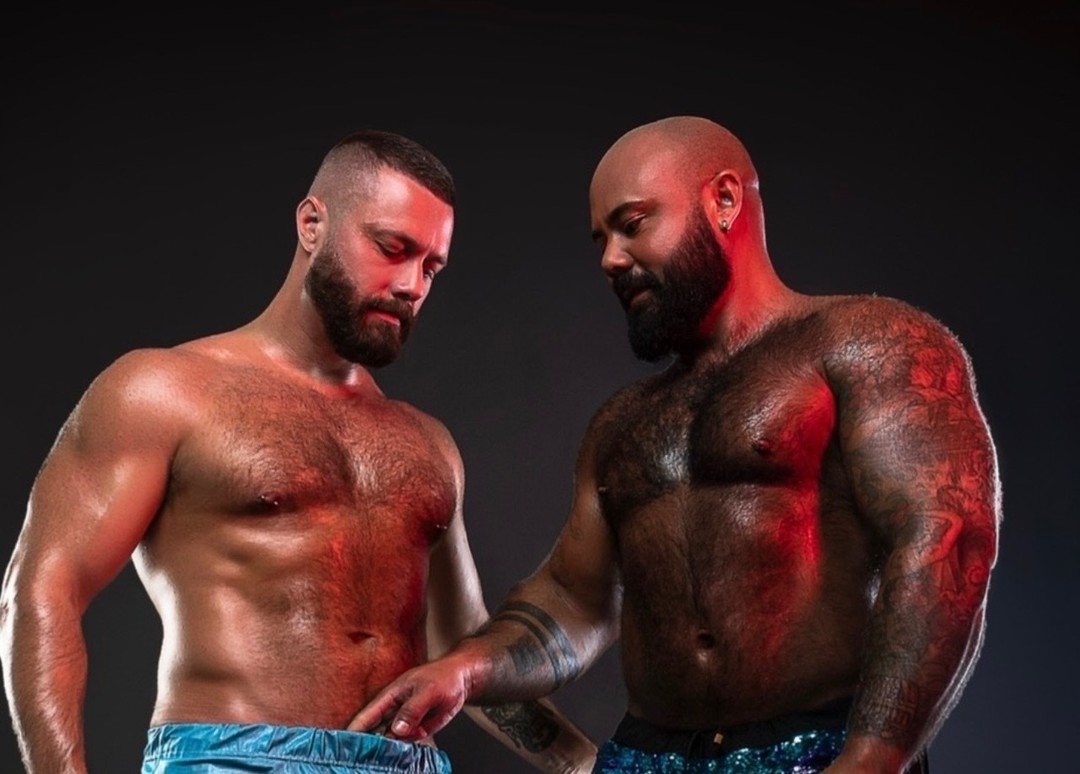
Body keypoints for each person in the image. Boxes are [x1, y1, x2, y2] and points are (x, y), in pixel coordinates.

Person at [350, 116, 1002, 773]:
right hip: (645, 758)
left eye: (632, 224)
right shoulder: (623, 422)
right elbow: (574, 600)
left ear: (724, 200)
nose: (611, 259)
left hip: (820, 751)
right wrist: (464, 669)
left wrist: (872, 758)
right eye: (601, 239)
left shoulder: (864, 343)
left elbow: (948, 538)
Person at [0, 130, 597, 774]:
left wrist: (581, 762)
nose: (411, 284)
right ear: (313, 223)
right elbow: (42, 590)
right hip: (234, 760)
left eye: (431, 267)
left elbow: (462, 650)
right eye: (392, 248)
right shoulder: (164, 391)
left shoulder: (428, 443)